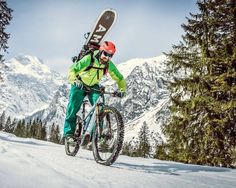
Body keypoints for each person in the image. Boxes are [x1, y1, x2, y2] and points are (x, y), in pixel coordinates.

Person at [64, 41, 126, 145]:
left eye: (111, 55)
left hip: (93, 85)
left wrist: (122, 90)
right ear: (101, 51)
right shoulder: (90, 58)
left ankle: (95, 135)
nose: (107, 57)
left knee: (100, 108)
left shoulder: (108, 64)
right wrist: (75, 81)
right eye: (106, 54)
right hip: (79, 83)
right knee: (73, 108)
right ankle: (69, 134)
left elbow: (119, 78)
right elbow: (72, 69)